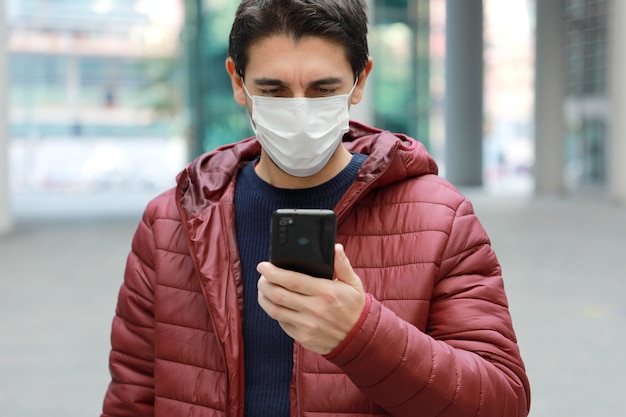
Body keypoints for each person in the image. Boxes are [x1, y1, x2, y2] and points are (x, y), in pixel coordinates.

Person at [101, 0, 531, 416]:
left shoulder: (439, 218)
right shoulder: (172, 223)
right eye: (274, 90)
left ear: (361, 80)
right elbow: (132, 398)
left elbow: (500, 402)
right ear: (238, 82)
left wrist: (361, 335)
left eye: (323, 90)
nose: (300, 113)